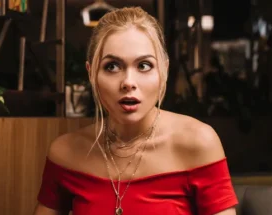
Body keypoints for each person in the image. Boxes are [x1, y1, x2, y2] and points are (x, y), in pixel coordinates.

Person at [33, 6, 238, 215]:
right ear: (92, 73)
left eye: (144, 66)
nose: (128, 82)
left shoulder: (198, 142)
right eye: (112, 66)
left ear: (164, 70)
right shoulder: (65, 152)